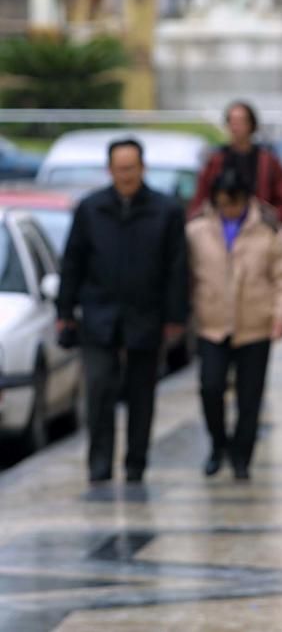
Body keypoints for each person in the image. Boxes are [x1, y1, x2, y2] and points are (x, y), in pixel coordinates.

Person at [57, 138, 189, 484]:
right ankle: (99, 464)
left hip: (146, 314)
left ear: (143, 169)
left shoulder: (167, 211)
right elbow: (73, 261)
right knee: (99, 388)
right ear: (110, 170)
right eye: (119, 169)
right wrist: (65, 309)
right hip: (99, 313)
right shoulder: (90, 209)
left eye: (131, 168)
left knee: (141, 393)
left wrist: (176, 317)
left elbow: (177, 268)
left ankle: (135, 463)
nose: (126, 175)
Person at [186, 169, 282, 480]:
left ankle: (242, 455)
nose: (230, 210)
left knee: (250, 397)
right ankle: (217, 444)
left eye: (235, 203)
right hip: (211, 323)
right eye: (224, 204)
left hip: (255, 325)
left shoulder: (268, 228)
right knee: (211, 387)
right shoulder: (197, 230)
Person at [188, 101, 282, 225]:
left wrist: (271, 221)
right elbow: (200, 200)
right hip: (219, 230)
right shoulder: (215, 161)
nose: (235, 127)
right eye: (232, 122)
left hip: (257, 229)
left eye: (240, 122)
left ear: (251, 125)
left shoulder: (267, 161)